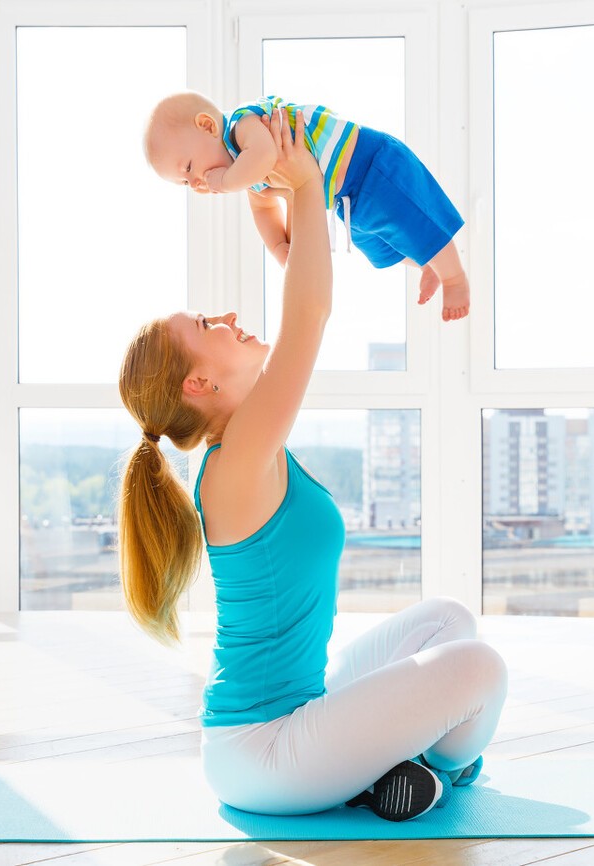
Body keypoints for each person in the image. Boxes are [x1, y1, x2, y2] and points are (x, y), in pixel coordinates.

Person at [119, 109, 506, 821]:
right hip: (262, 753)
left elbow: (301, 281)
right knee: (479, 669)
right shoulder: (236, 462)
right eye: (206, 326)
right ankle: (431, 765)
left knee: (448, 621)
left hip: (303, 713)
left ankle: (390, 767)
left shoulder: (249, 446)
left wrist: (282, 198)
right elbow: (309, 314)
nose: (226, 316)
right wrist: (304, 183)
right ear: (198, 384)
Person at [143, 91, 470, 322]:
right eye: (185, 183)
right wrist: (279, 248)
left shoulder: (241, 126)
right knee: (381, 246)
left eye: (189, 168)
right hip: (346, 198)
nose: (196, 183)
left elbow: (264, 156)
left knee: (412, 222)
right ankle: (428, 263)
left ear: (207, 125)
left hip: (372, 165)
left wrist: (226, 181)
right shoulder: (247, 173)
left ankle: (454, 278)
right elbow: (263, 209)